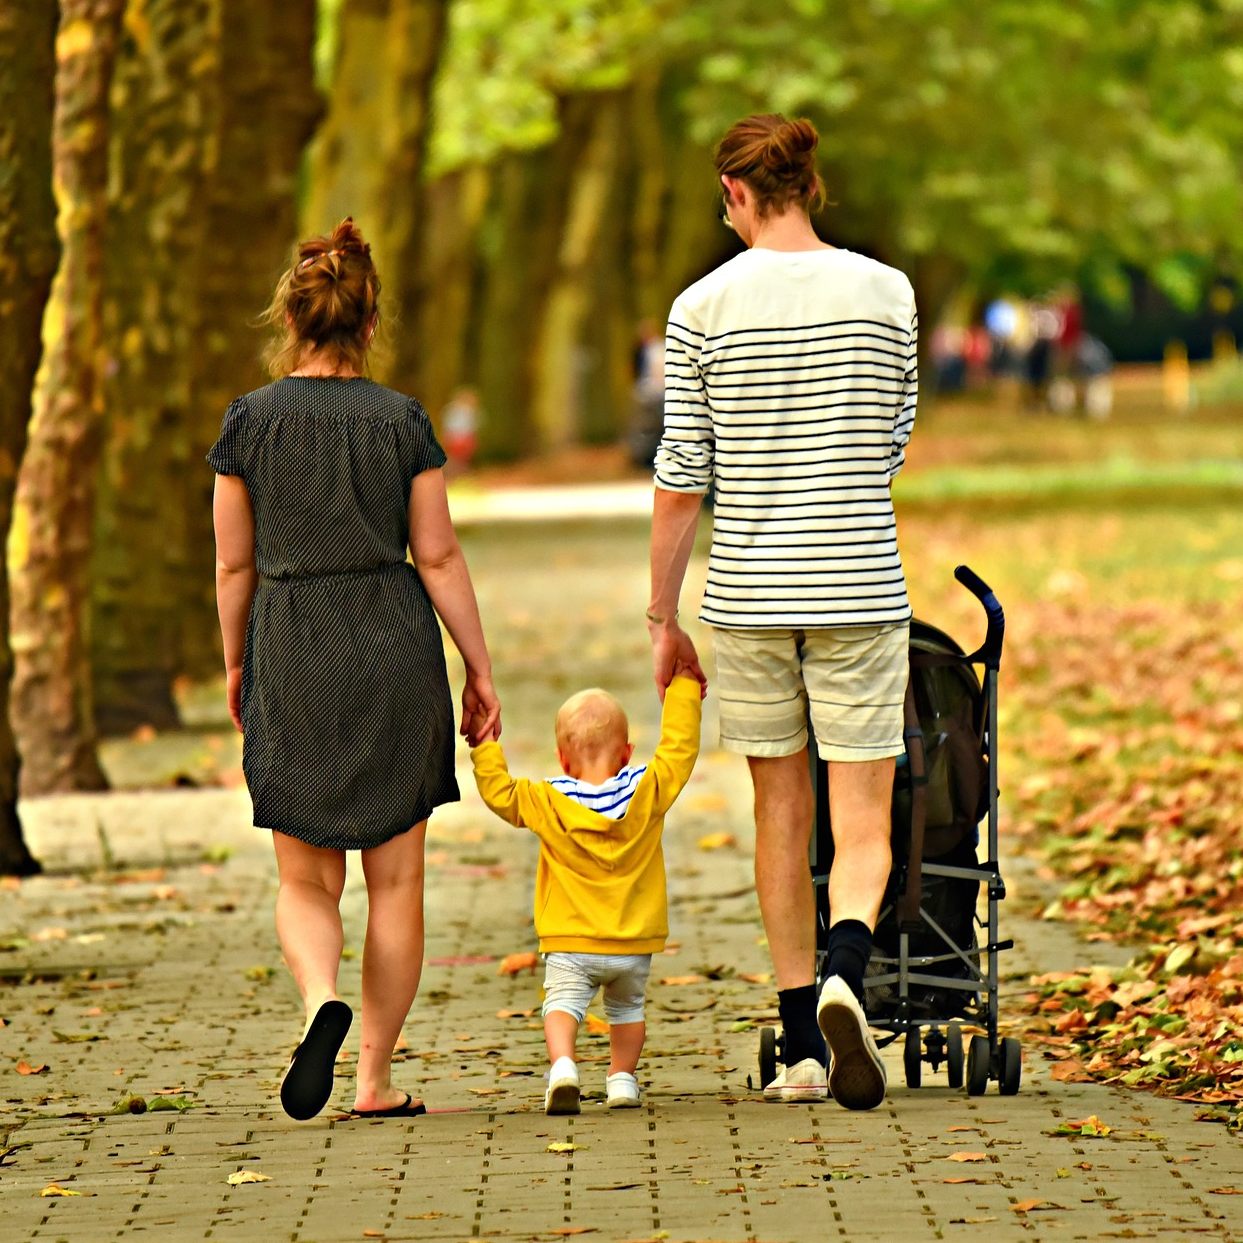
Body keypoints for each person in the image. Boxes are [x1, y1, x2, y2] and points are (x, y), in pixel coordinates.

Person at [647, 114, 918, 1111]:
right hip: (857, 582)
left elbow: (683, 476)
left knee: (777, 809)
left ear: (734, 194)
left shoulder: (700, 307)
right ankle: (851, 963)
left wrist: (659, 612)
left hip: (750, 596)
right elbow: (893, 438)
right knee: (861, 813)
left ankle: (802, 1044)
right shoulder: (886, 292)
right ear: (811, 184)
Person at [208, 217, 500, 1122]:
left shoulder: (248, 425)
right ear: (370, 324)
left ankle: (316, 1002)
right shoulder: (401, 420)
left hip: (291, 640)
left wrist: (236, 661)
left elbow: (231, 566)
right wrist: (478, 668)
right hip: (390, 639)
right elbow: (440, 557)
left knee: (305, 879)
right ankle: (372, 1079)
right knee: (398, 882)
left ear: (289, 321)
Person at [470, 675, 702, 1114]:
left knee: (561, 1005)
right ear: (627, 753)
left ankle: (562, 1067)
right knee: (627, 1010)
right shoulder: (647, 791)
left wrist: (484, 744)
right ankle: (622, 1080)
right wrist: (684, 689)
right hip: (633, 943)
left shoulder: (547, 800)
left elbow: (499, 793)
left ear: (562, 758)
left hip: (570, 942)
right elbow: (679, 752)